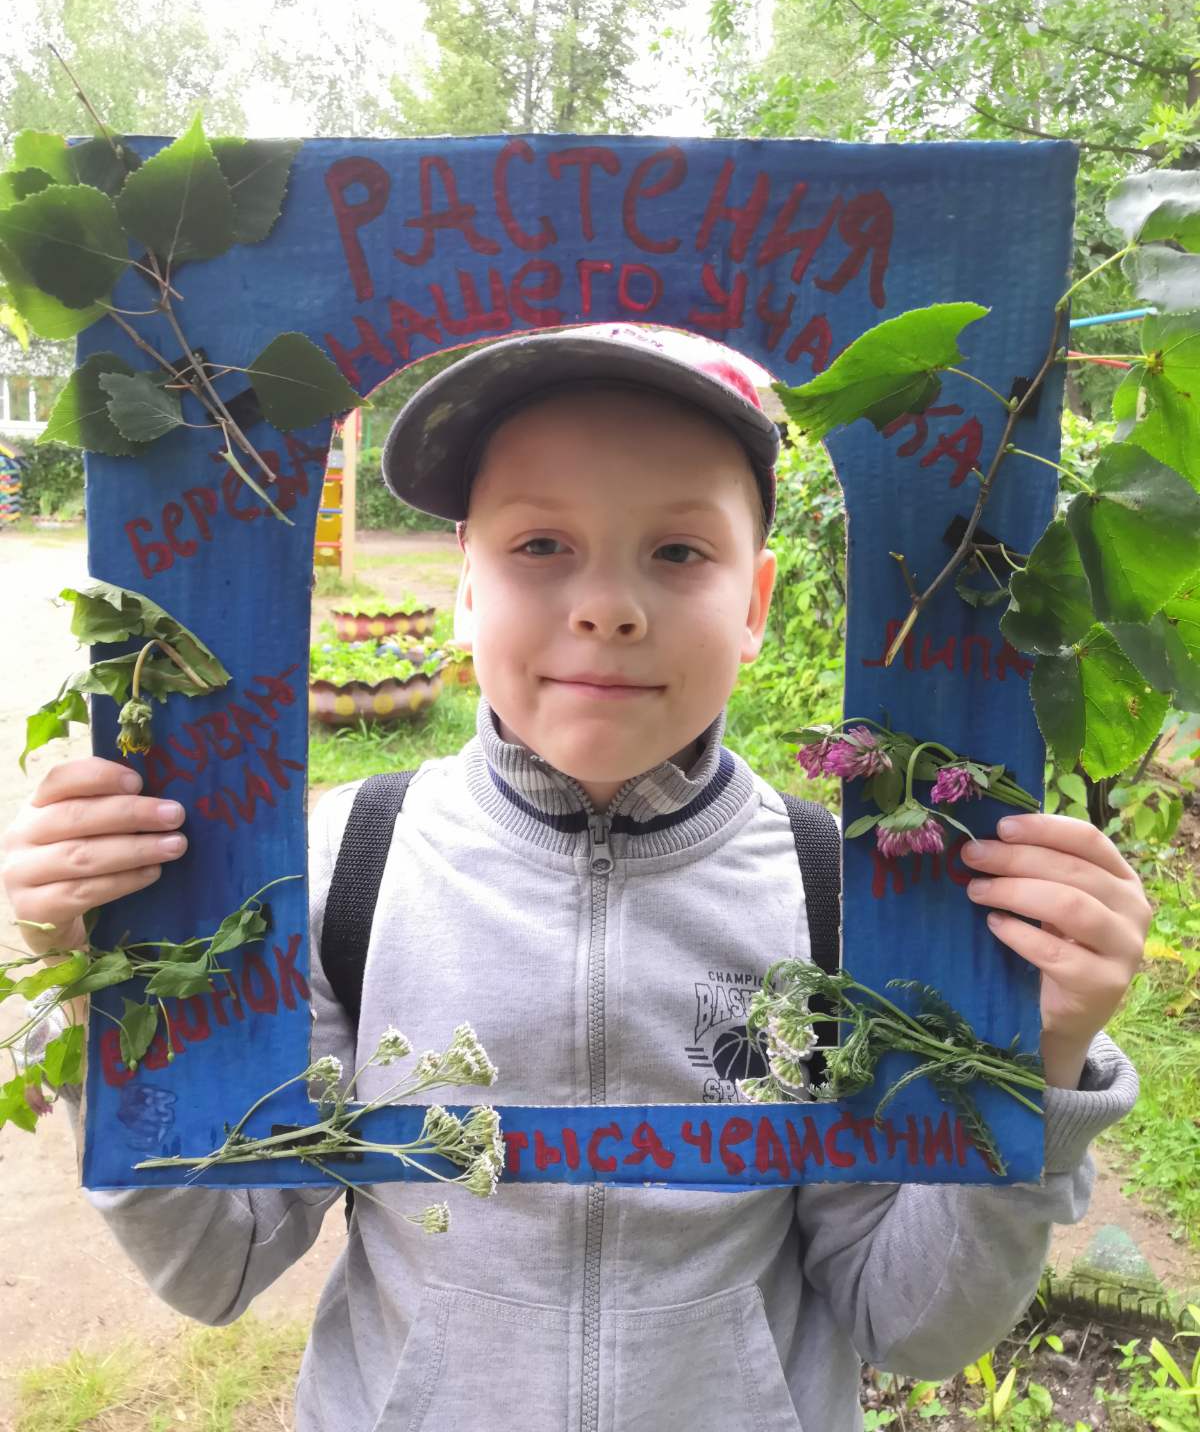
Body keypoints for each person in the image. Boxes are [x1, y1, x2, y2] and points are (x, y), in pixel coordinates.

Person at [1, 323, 1147, 1432]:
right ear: (466, 585)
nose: (608, 605)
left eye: (679, 551)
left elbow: (914, 1326)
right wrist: (101, 991)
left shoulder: (836, 897)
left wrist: (1032, 1068)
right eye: (541, 544)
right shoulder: (347, 869)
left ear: (754, 604)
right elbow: (219, 1260)